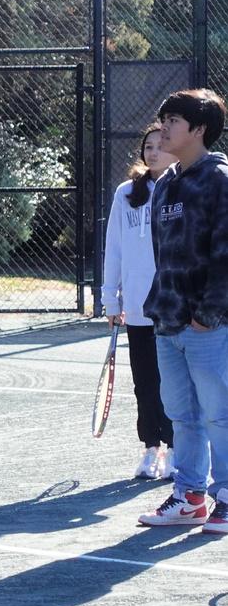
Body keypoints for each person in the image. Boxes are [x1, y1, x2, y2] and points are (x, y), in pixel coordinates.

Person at [137, 89, 228, 534]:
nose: (163, 128)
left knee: (220, 414)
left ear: (199, 129)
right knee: (182, 415)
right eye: (164, 118)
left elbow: (226, 256)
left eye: (173, 120)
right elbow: (162, 254)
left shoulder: (220, 179)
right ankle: (190, 497)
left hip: (210, 325)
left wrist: (208, 313)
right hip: (168, 322)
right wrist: (164, 311)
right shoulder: (166, 183)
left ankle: (225, 497)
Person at [101, 123, 177, 479]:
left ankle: (175, 449)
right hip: (136, 307)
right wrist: (111, 299)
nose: (154, 152)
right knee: (145, 384)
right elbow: (114, 248)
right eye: (149, 146)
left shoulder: (182, 189)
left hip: (174, 307)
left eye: (161, 145)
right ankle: (150, 448)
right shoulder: (125, 193)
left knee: (173, 384)